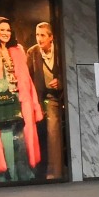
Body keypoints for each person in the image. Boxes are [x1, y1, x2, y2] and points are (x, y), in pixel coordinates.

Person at [0, 16, 41, 182]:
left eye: (8, 30)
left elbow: (28, 82)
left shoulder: (17, 50)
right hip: (3, 104)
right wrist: (0, 70)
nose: (6, 33)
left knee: (23, 144)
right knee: (6, 143)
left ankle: (24, 176)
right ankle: (10, 178)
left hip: (22, 103)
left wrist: (34, 105)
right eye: (2, 30)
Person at [26, 21, 64, 180]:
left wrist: (60, 81)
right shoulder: (32, 52)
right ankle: (42, 172)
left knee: (53, 133)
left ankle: (55, 172)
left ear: (51, 37)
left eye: (42, 35)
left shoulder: (61, 51)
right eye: (37, 35)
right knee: (42, 134)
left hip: (57, 98)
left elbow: (67, 70)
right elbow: (27, 77)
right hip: (40, 100)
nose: (39, 38)